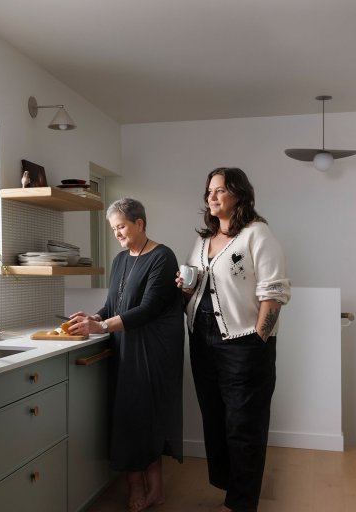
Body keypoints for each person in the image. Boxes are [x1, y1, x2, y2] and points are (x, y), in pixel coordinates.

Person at [177, 167, 291, 512]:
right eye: (209, 190)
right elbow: (196, 285)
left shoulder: (258, 234)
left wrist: (259, 341)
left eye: (221, 190)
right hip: (202, 339)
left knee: (245, 425)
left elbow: (273, 292)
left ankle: (241, 504)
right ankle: (232, 489)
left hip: (244, 343)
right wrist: (184, 288)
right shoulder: (202, 241)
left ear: (239, 194)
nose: (212, 196)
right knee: (215, 418)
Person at [68, 198, 184, 512]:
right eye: (114, 229)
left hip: (154, 350)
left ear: (140, 223)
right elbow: (112, 307)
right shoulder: (120, 260)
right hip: (124, 347)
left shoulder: (162, 257)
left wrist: (102, 325)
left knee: (146, 417)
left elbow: (148, 309)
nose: (117, 234)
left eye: (121, 226)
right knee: (129, 417)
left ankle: (153, 487)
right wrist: (92, 319)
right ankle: (138, 484)